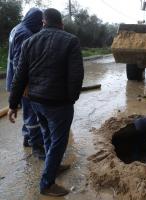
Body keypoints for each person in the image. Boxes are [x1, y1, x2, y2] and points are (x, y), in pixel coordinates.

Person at [8, 8, 84, 196]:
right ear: (61, 24)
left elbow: (19, 75)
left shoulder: (29, 41)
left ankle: (54, 166)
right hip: (59, 104)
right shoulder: (71, 41)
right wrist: (70, 99)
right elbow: (76, 76)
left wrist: (12, 104)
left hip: (36, 102)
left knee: (48, 136)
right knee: (58, 142)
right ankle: (46, 184)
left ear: (43, 22)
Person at [6, 8, 45, 159]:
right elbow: (18, 63)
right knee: (32, 113)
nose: (41, 26)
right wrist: (25, 85)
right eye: (39, 23)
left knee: (27, 111)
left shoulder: (17, 28)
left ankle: (26, 139)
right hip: (22, 82)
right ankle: (37, 147)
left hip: (15, 80)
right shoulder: (25, 34)